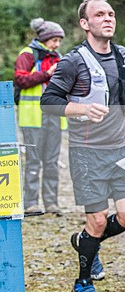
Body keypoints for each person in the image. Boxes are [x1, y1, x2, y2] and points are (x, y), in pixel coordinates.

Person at [41, 0, 125, 292]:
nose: (108, 18)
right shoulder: (73, 61)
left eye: (111, 14)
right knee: (99, 220)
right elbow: (49, 102)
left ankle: (85, 241)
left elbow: (124, 96)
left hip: (120, 150)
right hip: (86, 152)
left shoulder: (122, 55)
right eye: (100, 14)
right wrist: (82, 109)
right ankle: (82, 285)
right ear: (85, 23)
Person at [14, 18, 66, 215]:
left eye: (59, 40)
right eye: (54, 40)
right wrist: (46, 74)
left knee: (52, 161)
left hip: (54, 117)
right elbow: (20, 79)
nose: (57, 44)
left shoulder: (58, 57)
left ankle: (51, 203)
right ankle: (31, 204)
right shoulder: (27, 54)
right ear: (44, 39)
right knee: (33, 161)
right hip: (32, 118)